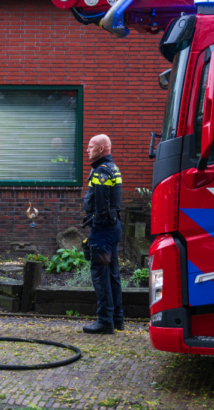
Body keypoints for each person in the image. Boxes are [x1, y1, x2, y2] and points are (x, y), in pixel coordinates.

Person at [82, 134, 124, 335]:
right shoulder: (113, 168)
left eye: (90, 147)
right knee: (113, 275)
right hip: (113, 227)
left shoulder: (101, 171)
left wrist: (95, 230)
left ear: (101, 149)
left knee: (101, 276)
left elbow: (101, 204)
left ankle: (105, 321)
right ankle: (117, 319)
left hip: (103, 231)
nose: (87, 150)